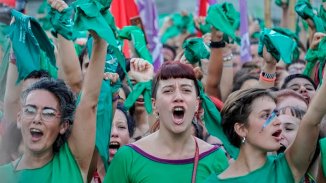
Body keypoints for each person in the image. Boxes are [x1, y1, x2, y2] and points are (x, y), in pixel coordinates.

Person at [0, 31, 107, 182]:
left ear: (63, 125)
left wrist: (100, 40)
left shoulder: (72, 162)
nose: (37, 119)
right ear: (19, 118)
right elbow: (10, 101)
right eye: (30, 110)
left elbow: (89, 102)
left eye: (48, 113)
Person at [104, 61, 228, 183]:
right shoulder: (128, 158)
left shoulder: (215, 159)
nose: (178, 97)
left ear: (196, 104)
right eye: (168, 91)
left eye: (186, 90)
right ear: (154, 105)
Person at [204, 62, 326, 182]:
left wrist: (270, 63)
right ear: (241, 129)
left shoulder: (287, 167)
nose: (278, 121)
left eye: (275, 114)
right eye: (266, 115)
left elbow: (312, 119)